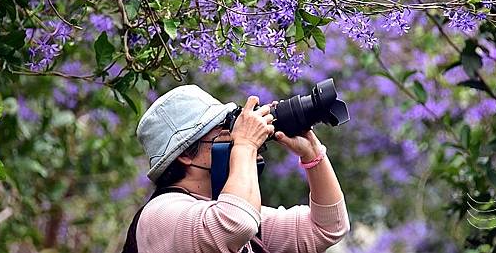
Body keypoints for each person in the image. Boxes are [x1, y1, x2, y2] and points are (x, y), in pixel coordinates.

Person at [124, 84, 350, 253]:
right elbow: (235, 223)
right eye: (224, 131)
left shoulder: (223, 211)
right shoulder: (160, 213)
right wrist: (246, 144)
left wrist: (313, 154)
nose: (233, 138)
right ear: (185, 154)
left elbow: (327, 228)